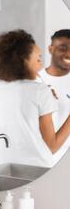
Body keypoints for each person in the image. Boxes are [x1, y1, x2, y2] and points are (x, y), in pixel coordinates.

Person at [0, 29, 70, 168]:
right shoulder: (40, 91)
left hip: (0, 169)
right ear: (23, 60)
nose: (40, 66)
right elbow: (51, 147)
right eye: (38, 59)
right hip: (36, 172)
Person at [38, 29, 70, 164]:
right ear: (50, 49)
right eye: (63, 48)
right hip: (48, 162)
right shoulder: (37, 81)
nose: (68, 53)